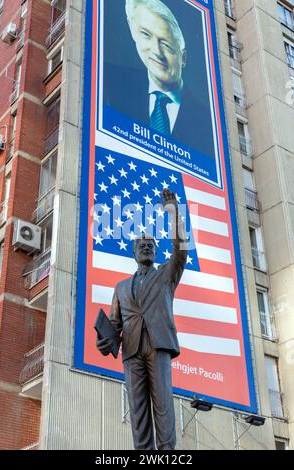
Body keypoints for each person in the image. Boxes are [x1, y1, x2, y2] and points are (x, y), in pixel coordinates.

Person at [96, 189, 188, 450]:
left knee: (162, 404)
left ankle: (167, 452)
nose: (146, 247)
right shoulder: (121, 287)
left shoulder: (167, 275)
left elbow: (180, 252)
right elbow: (114, 326)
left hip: (158, 345)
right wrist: (103, 343)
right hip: (132, 349)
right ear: (134, 253)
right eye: (141, 246)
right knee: (137, 410)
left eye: (151, 245)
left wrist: (174, 214)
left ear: (156, 252)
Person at [103, 0, 215, 158]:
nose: (157, 52)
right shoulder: (109, 81)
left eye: (166, 45)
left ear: (183, 58)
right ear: (132, 29)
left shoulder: (207, 122)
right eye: (146, 35)